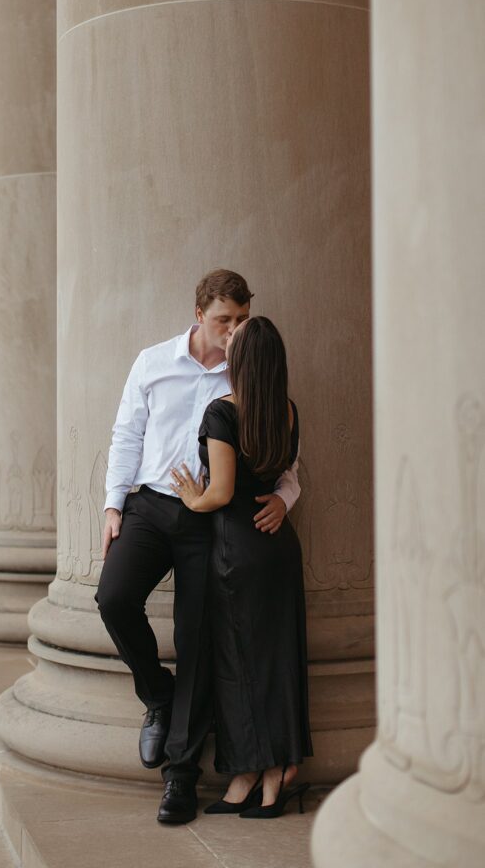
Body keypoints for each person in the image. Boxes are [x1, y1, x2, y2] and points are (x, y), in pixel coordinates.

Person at [96, 270, 301, 825]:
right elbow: (126, 434)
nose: (233, 331)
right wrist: (114, 505)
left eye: (241, 320)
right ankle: (157, 698)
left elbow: (282, 459)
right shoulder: (153, 362)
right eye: (223, 321)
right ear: (199, 315)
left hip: (208, 524)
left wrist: (286, 496)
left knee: (196, 637)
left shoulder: (249, 374)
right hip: (152, 505)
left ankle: (180, 776)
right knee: (112, 599)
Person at [170, 316, 312, 818]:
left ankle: (262, 773)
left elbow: (221, 494)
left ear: (243, 360)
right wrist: (280, 499)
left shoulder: (222, 413)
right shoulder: (288, 412)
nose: (226, 339)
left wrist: (190, 496)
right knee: (275, 663)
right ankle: (260, 775)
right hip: (278, 549)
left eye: (235, 338)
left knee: (238, 666)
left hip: (237, 553)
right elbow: (281, 478)